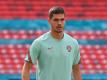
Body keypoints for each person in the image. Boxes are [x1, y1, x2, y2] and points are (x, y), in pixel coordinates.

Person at [22, 6, 82, 80]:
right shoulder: (39, 43)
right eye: (56, 20)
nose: (59, 23)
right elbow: (27, 68)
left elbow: (76, 69)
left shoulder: (73, 43)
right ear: (49, 20)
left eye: (62, 19)